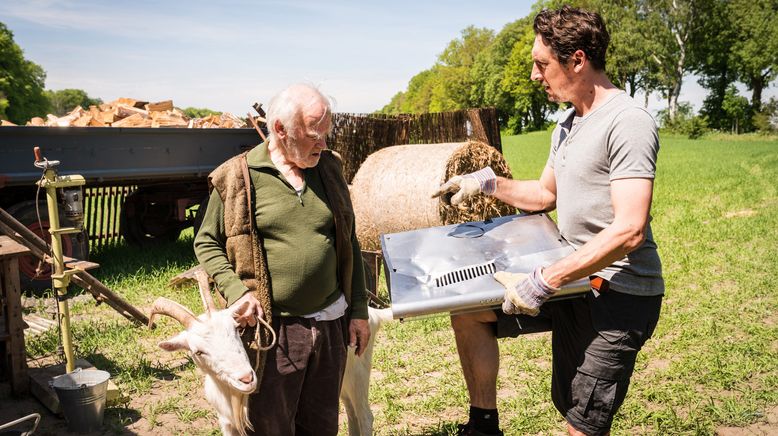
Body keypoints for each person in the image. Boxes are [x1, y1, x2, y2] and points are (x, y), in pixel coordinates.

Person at [433, 6, 664, 436]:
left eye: (543, 65)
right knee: (469, 314)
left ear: (577, 60)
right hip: (573, 280)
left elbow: (630, 230)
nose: (536, 76)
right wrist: (485, 183)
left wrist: (545, 280)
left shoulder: (628, 121)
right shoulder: (569, 124)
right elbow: (544, 195)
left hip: (617, 291)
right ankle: (484, 424)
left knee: (581, 424)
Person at [194, 83, 370, 435]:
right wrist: (237, 292)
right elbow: (206, 242)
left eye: (326, 134)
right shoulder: (237, 176)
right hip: (274, 332)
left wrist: (359, 311)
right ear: (279, 130)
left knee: (321, 426)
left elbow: (349, 240)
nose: (322, 143)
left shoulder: (329, 169)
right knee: (270, 426)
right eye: (313, 135)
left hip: (330, 323)